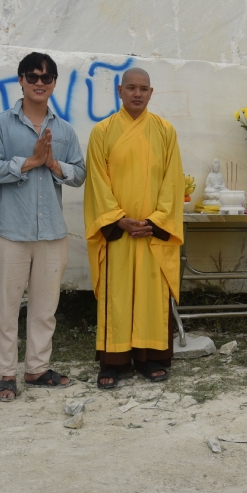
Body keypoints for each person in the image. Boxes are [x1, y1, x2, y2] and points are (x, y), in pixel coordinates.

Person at [0, 52, 87, 402]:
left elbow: (80, 174)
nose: (40, 83)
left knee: (44, 307)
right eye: (32, 76)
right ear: (20, 81)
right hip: (9, 229)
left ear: (54, 83)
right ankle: (6, 374)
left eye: (46, 77)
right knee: (7, 307)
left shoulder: (65, 130)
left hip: (52, 231)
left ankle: (37, 368)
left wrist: (53, 164)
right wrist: (28, 163)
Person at [84, 67, 184, 389]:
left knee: (151, 295)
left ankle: (149, 357)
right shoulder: (102, 132)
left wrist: (156, 221)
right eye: (131, 88)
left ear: (151, 93)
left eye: (143, 88)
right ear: (119, 91)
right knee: (118, 294)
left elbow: (173, 180)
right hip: (119, 231)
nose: (137, 93)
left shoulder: (165, 131)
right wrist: (117, 219)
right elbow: (97, 182)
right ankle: (113, 361)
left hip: (152, 231)